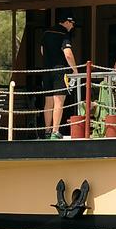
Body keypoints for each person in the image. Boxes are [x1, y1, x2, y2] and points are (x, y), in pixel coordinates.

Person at [40, 9, 78, 140]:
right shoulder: (64, 34)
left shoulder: (46, 33)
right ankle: (55, 132)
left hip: (46, 70)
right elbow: (67, 53)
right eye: (72, 23)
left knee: (48, 102)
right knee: (59, 102)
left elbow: (42, 51)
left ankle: (47, 131)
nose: (73, 26)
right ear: (67, 22)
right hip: (60, 70)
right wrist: (75, 70)